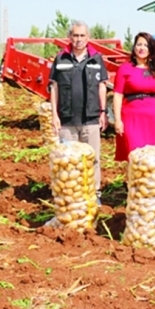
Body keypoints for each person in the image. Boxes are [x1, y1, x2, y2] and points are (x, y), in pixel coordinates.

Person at [49, 20, 108, 204]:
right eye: (75, 35)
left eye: (82, 35)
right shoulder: (61, 59)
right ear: (70, 37)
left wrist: (103, 111)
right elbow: (54, 88)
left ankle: (94, 194)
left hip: (90, 118)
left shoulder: (96, 59)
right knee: (68, 160)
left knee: (93, 158)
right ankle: (71, 196)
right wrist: (54, 115)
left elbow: (102, 86)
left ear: (88, 38)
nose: (79, 39)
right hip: (67, 120)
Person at [113, 32, 155, 161]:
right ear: (134, 47)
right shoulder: (125, 68)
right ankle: (133, 180)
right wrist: (117, 119)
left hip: (151, 117)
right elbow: (117, 94)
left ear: (151, 48)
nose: (142, 48)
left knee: (151, 155)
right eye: (139, 44)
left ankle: (149, 181)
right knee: (133, 153)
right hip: (131, 116)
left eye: (146, 45)